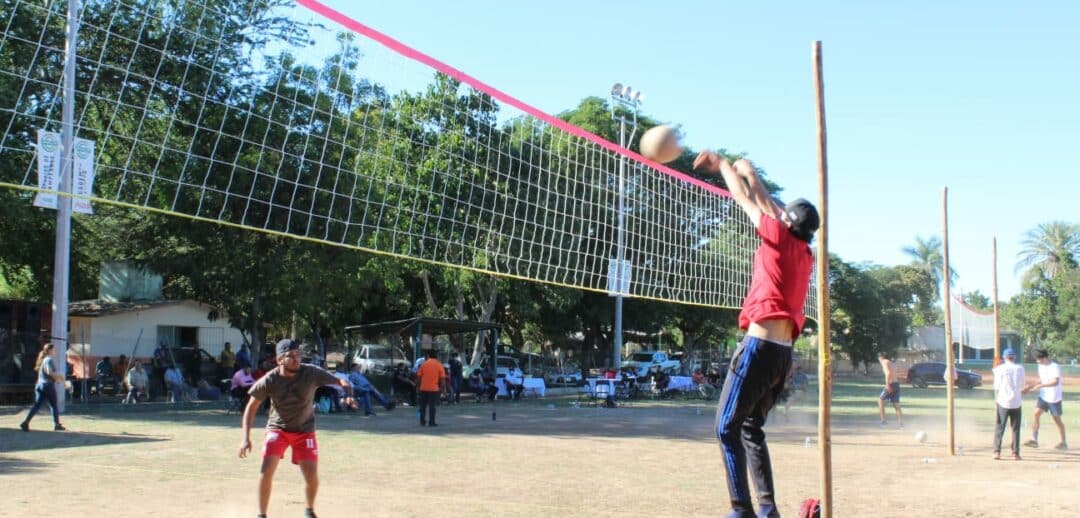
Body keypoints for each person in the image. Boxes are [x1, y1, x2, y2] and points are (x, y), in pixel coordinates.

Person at [695, 152, 819, 518]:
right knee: (751, 428)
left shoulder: (778, 238)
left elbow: (746, 201)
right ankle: (767, 509)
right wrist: (752, 174)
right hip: (781, 357)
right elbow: (776, 208)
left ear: (787, 221)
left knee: (725, 429)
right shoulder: (804, 251)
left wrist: (724, 168)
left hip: (759, 349)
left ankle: (741, 510)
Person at [238, 339, 355, 518]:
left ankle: (309, 510)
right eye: (290, 356)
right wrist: (245, 438)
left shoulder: (311, 372)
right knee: (266, 469)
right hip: (277, 429)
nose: (296, 359)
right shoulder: (270, 379)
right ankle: (261, 514)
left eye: (298, 355)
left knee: (311, 475)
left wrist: (348, 395)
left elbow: (341, 381)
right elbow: (251, 408)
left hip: (304, 430)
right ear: (279, 360)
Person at [1023, 349, 1068, 450]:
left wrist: (1041, 385)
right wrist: (1029, 387)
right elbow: (1041, 379)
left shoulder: (1054, 367)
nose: (1037, 361)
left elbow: (1055, 382)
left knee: (1057, 420)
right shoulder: (1040, 366)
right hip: (1044, 396)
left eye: (1038, 359)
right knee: (1036, 414)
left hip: (1054, 397)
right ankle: (1034, 440)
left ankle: (1063, 442)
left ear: (1044, 358)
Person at [19, 342, 66, 431]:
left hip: (40, 385)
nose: (55, 351)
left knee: (37, 405)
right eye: (54, 349)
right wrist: (60, 376)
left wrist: (57, 379)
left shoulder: (44, 359)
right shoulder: (49, 360)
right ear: (50, 350)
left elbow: (47, 374)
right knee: (53, 405)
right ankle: (57, 425)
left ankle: (25, 422)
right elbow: (49, 372)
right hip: (47, 385)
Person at [993, 348, 1026, 460]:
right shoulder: (1020, 368)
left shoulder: (999, 369)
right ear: (1014, 357)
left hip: (1003, 401)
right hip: (1016, 402)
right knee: (1015, 428)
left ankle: (997, 452)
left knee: (999, 427)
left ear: (1004, 357)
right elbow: (1022, 385)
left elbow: (996, 386)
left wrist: (995, 370)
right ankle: (1015, 453)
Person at [416, 350, 448, 426]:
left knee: (422, 406)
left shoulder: (424, 364)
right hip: (434, 389)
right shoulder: (439, 365)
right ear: (436, 356)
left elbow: (419, 377)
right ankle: (431, 422)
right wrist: (444, 390)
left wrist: (418, 386)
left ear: (428, 355)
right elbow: (442, 379)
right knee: (432, 406)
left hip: (423, 388)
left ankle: (422, 421)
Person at [877, 352, 903, 428]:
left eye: (878, 358)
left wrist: (887, 384)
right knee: (896, 404)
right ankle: (901, 423)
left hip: (891, 384)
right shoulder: (891, 363)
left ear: (881, 357)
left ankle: (883, 422)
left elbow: (888, 373)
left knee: (880, 401)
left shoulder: (884, 362)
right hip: (896, 384)